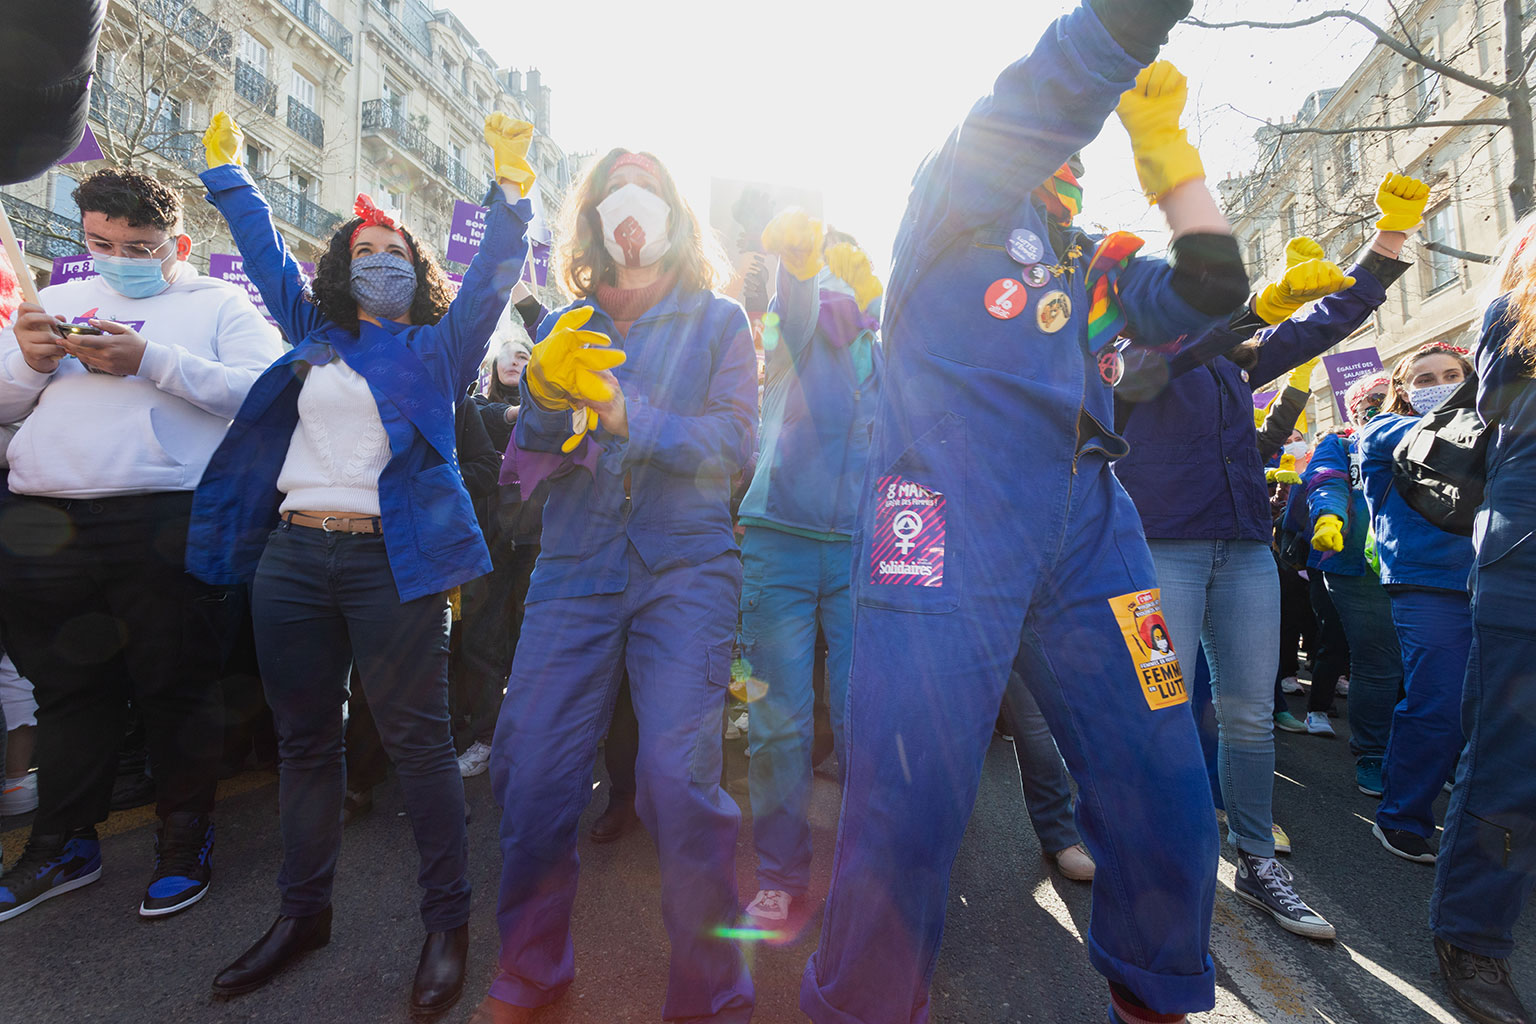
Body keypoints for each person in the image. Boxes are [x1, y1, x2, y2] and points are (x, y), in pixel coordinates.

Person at [803, 2, 1254, 1019]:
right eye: (1058, 144)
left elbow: (1213, 288)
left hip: (1093, 525)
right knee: (908, 803)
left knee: (1170, 783)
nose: (1066, 162)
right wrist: (1131, 23)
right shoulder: (949, 200)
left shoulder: (1093, 266)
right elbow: (1056, 81)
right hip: (940, 517)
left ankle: (1152, 991)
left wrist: (1173, 158)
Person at [185, 109, 534, 1019]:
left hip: (395, 565)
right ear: (342, 269)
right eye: (363, 249)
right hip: (294, 560)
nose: (380, 260)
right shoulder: (315, 330)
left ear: (418, 271)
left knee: (419, 746)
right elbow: (265, 254)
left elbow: (494, 276)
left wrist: (509, 193)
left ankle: (447, 925)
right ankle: (303, 916)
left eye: (395, 251)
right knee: (306, 746)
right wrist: (231, 178)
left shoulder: (440, 347)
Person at [470, 148, 756, 1024]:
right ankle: (532, 964)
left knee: (676, 782)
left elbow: (736, 447)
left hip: (686, 567)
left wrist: (633, 415)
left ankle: (711, 988)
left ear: (676, 211)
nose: (633, 202)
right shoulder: (565, 321)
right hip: (575, 567)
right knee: (530, 774)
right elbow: (532, 458)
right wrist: (544, 396)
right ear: (591, 217)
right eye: (614, 188)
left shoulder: (719, 322)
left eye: (650, 186)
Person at [1116, 166, 1421, 941]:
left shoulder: (1235, 359)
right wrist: (1250, 313)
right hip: (1157, 554)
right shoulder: (1124, 350)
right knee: (1155, 710)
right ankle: (1148, 859)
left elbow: (1324, 323)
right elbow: (1149, 375)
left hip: (1247, 554)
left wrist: (1387, 242)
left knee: (1249, 716)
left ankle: (1255, 861)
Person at [0, 166, 279, 922]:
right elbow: (5, 399)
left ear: (177, 244)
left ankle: (184, 840)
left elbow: (266, 391)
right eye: (101, 242)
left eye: (138, 246)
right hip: (44, 521)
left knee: (175, 688)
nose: (117, 258)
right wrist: (28, 360)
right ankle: (61, 845)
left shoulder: (218, 302)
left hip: (164, 521)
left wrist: (150, 360)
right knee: (67, 693)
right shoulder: (54, 299)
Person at [734, 208, 882, 934]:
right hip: (779, 544)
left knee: (865, 718)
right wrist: (796, 269)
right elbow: (791, 313)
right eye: (829, 265)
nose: (838, 281)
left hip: (862, 550)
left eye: (848, 267)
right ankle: (780, 875)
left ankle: (865, 874)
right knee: (778, 725)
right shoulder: (791, 323)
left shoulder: (882, 349)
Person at [1429, 218, 1536, 1024]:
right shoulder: (1514, 314)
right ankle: (1470, 936)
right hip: (1524, 565)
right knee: (1509, 766)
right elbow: (1499, 403)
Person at [1358, 341, 1477, 866]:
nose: (1440, 386)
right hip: (1428, 585)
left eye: (1452, 375)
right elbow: (1439, 436)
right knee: (1439, 705)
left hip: (1497, 581)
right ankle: (1402, 816)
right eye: (1424, 380)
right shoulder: (1382, 430)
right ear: (1402, 391)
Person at [1305, 374, 1405, 797]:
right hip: (1356, 570)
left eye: (1389, 397)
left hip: (1424, 564)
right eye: (1372, 399)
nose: (1381, 404)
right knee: (1378, 663)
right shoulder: (1341, 444)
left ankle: (1434, 753)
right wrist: (1330, 516)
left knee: (1433, 664)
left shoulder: (1427, 431)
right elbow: (1325, 478)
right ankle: (1373, 752)